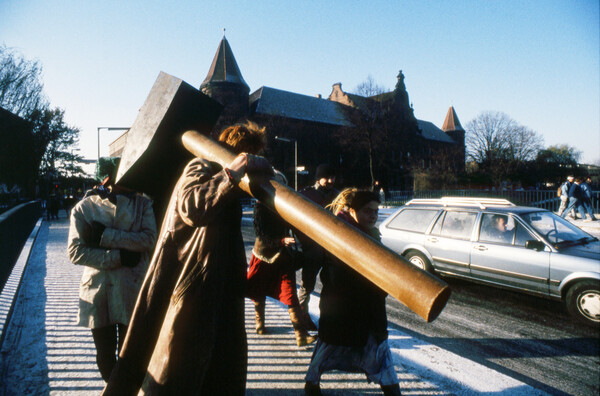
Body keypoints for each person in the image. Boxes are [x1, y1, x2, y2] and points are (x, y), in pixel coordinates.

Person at [103, 121, 272, 395]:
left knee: (212, 367)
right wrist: (230, 175)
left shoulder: (219, 173)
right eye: (248, 152)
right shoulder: (202, 167)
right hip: (194, 284)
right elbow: (192, 207)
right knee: (178, 366)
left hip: (214, 284)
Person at [67, 158, 157, 382]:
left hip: (133, 287)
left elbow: (149, 240)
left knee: (132, 353)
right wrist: (118, 257)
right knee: (105, 355)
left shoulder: (142, 204)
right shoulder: (83, 208)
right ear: (108, 179)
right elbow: (76, 252)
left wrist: (105, 236)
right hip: (99, 291)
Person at [304, 188, 401, 396]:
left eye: (376, 211)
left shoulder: (373, 235)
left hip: (369, 313)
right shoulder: (337, 233)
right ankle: (311, 387)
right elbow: (318, 265)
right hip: (342, 311)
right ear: (352, 211)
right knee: (326, 352)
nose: (373, 216)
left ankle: (392, 390)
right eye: (367, 211)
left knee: (382, 358)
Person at [246, 170, 317, 347]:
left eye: (282, 185)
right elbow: (262, 236)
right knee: (258, 290)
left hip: (283, 257)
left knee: (290, 293)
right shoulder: (260, 206)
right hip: (263, 255)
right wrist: (281, 240)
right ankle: (259, 323)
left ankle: (300, 335)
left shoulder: (286, 207)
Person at [297, 164, 339, 329]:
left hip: (332, 249)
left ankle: (328, 319)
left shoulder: (338, 196)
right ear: (318, 178)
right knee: (307, 285)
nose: (330, 181)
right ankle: (302, 317)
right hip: (312, 248)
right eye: (327, 177)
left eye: (333, 177)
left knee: (332, 286)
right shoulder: (307, 194)